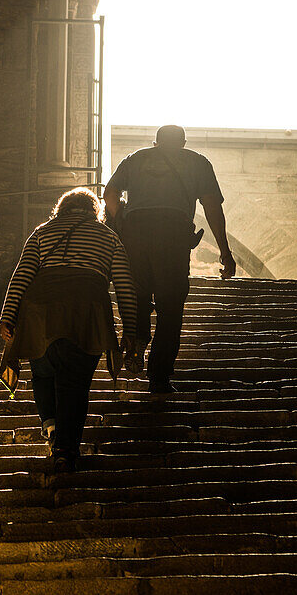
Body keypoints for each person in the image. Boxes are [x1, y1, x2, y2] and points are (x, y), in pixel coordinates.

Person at [0, 187, 136, 473]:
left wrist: (8, 317)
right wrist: (130, 330)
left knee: (43, 371)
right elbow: (124, 285)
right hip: (85, 313)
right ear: (94, 211)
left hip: (40, 312)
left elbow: (21, 276)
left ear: (61, 209)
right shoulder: (108, 236)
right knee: (74, 382)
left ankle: (50, 425)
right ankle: (65, 448)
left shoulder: (41, 232)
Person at [103, 124, 235, 395]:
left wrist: (121, 224)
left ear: (155, 143)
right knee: (170, 306)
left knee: (137, 294)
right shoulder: (198, 162)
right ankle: (159, 377)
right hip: (173, 235)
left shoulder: (135, 158)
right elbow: (212, 206)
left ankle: (138, 338)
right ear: (183, 143)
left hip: (136, 234)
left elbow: (109, 194)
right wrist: (225, 251)